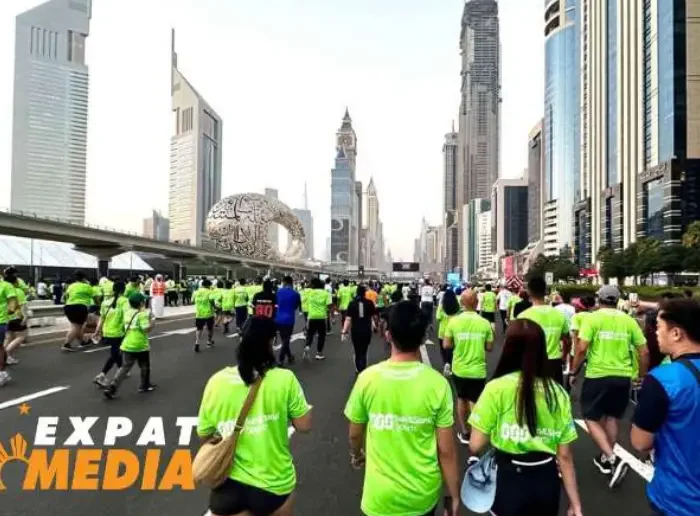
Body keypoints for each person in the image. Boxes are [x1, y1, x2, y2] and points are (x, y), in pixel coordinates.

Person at [344, 301, 460, 516]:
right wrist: (454, 495)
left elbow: (355, 433)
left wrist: (357, 453)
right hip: (422, 494)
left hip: (380, 497)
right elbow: (446, 451)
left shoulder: (368, 379)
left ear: (388, 335)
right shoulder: (437, 384)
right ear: (423, 337)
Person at [197, 317, 312, 516]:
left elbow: (204, 433)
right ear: (272, 342)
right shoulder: (284, 379)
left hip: (229, 485)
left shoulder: (216, 382)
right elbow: (304, 425)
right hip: (274, 484)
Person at [468, 319, 583, 516]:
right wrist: (576, 504)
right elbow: (564, 456)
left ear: (508, 348)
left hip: (507, 481)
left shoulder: (496, 388)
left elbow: (475, 444)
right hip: (546, 482)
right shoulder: (557, 392)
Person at [571, 284, 649, 488]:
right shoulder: (629, 321)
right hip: (622, 377)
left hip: (598, 375)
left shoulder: (592, 319)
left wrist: (573, 371)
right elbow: (644, 351)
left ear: (599, 299)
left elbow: (581, 348)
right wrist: (641, 376)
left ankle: (612, 458)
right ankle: (606, 459)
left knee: (590, 417)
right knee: (612, 417)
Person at [631, 298, 700, 516]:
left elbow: (640, 442)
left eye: (659, 327)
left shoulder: (663, 379)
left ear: (676, 333)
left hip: (680, 498)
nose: (655, 332)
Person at [444, 290, 493, 444]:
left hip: (459, 368)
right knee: (475, 402)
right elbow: (490, 347)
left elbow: (446, 344)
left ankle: (465, 433)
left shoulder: (454, 322)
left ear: (461, 303)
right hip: (478, 370)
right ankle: (477, 435)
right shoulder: (484, 322)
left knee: (461, 399)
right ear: (477, 303)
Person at [517, 277, 570, 385]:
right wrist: (564, 356)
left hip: (532, 361)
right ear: (545, 291)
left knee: (533, 393)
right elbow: (566, 340)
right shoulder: (559, 315)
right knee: (555, 393)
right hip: (554, 362)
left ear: (529, 292)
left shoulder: (523, 316)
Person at [104, 293, 156, 398]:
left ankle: (112, 387)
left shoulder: (127, 312)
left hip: (127, 344)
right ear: (141, 303)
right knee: (144, 365)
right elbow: (146, 329)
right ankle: (144, 385)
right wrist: (152, 321)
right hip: (140, 344)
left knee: (124, 367)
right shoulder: (141, 315)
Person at [93, 282, 128, 388]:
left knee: (116, 352)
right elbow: (127, 317)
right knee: (115, 353)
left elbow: (102, 317)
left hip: (107, 332)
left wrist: (97, 330)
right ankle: (102, 375)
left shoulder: (105, 302)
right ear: (124, 290)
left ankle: (121, 369)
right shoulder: (124, 301)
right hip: (118, 332)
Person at [342, 285, 377, 373]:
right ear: (365, 293)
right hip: (366, 330)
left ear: (356, 292)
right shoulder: (369, 303)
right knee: (364, 350)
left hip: (356, 330)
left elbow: (348, 319)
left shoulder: (352, 303)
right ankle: (363, 367)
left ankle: (358, 368)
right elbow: (374, 317)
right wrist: (375, 326)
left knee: (357, 350)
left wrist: (344, 331)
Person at [62, 271, 96, 352]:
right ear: (84, 278)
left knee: (77, 326)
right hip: (80, 307)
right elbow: (95, 297)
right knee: (76, 327)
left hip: (68, 306)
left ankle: (83, 342)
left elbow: (66, 296)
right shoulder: (87, 286)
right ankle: (66, 344)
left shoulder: (71, 286)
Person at [275, 276, 301, 366]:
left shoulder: (279, 292)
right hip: (289, 319)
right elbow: (296, 306)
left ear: (284, 282)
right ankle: (281, 359)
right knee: (286, 340)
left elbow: (277, 303)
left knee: (284, 340)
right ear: (291, 282)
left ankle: (289, 357)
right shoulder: (296, 294)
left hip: (278, 318)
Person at [304, 278, 332, 361]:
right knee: (321, 336)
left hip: (311, 317)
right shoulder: (326, 293)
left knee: (310, 334)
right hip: (322, 317)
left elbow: (305, 289)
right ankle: (319, 354)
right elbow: (329, 306)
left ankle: (307, 346)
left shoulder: (309, 292)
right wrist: (332, 315)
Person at [436, 289, 461, 377]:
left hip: (442, 331)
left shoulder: (441, 306)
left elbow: (438, 317)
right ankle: (449, 364)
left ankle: (445, 364)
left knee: (443, 349)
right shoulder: (457, 307)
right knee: (451, 349)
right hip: (453, 331)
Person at [4, 275, 28, 366]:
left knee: (8, 337)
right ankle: (6, 353)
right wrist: (25, 317)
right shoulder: (18, 291)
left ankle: (4, 356)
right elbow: (22, 306)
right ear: (15, 282)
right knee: (21, 336)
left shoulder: (3, 290)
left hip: (5, 317)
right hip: (16, 317)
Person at [193, 279, 216, 352]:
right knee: (210, 329)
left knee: (199, 329)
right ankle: (209, 341)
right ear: (209, 286)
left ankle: (197, 343)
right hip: (209, 314)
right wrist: (215, 307)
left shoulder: (196, 292)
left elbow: (192, 301)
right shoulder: (210, 292)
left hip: (199, 314)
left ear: (202, 285)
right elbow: (212, 301)